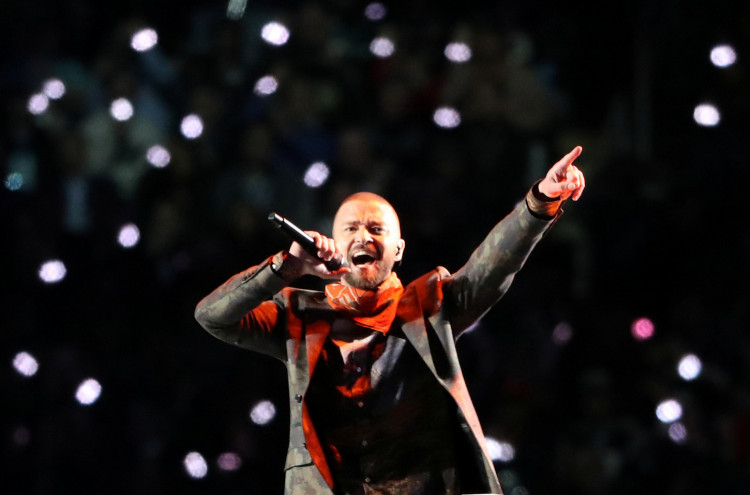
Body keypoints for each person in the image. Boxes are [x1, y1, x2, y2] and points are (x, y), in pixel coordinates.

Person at [195, 146, 586, 495]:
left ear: (398, 250)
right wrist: (286, 267)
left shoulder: (430, 305)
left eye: (376, 229)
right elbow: (212, 317)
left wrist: (539, 203)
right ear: (333, 244)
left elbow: (493, 265)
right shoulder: (297, 315)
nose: (363, 237)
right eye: (350, 229)